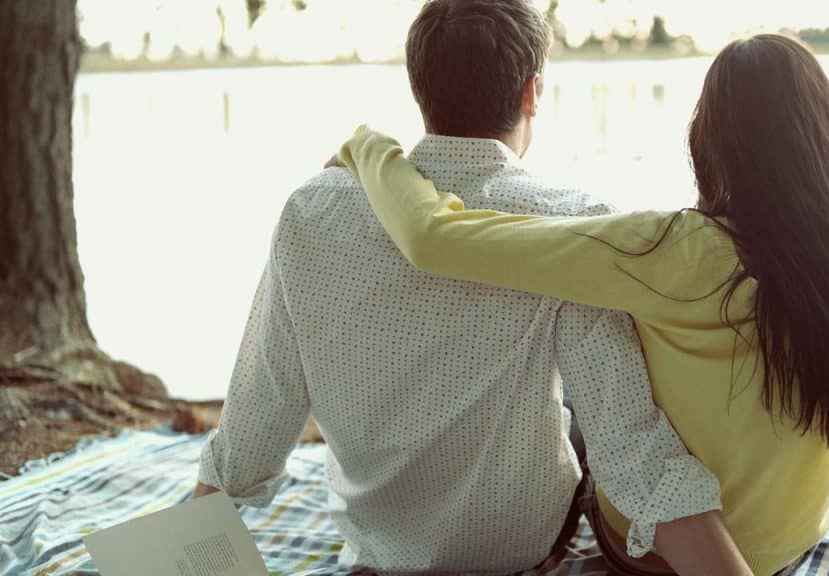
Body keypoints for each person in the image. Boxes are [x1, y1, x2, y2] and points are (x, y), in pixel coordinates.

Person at [333, 34, 829, 576]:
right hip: (788, 545)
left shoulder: (664, 250)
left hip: (650, 555)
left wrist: (368, 147)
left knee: (582, 377)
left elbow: (434, 239)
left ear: (711, 141)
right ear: (828, 134)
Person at [193, 1, 751, 574]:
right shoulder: (571, 223)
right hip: (516, 547)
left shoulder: (312, 210)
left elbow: (257, 417)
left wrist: (182, 552)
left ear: (420, 89)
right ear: (531, 92)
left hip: (381, 548)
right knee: (592, 401)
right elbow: (634, 449)